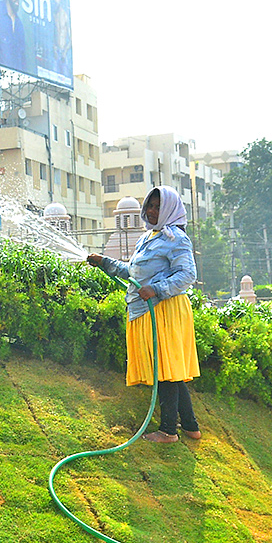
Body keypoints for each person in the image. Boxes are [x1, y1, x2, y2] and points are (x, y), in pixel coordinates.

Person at [87, 185, 201, 443]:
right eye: (149, 206)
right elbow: (134, 273)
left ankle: (169, 431)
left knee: (166, 369)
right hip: (146, 308)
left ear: (169, 209)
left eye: (157, 207)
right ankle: (191, 427)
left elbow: (188, 275)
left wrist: (157, 289)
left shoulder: (176, 239)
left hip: (165, 309)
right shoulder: (149, 237)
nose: (151, 211)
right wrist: (105, 262)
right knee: (169, 367)